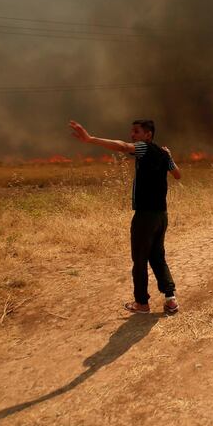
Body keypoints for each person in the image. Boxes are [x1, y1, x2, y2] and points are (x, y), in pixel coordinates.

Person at [69, 119, 181, 315]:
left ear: (148, 135)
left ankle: (142, 304)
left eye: (137, 132)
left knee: (140, 259)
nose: (133, 135)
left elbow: (122, 146)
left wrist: (90, 139)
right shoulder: (163, 153)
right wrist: (170, 156)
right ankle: (171, 300)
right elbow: (177, 175)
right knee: (158, 257)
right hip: (161, 215)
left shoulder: (143, 148)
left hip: (145, 216)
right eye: (132, 132)